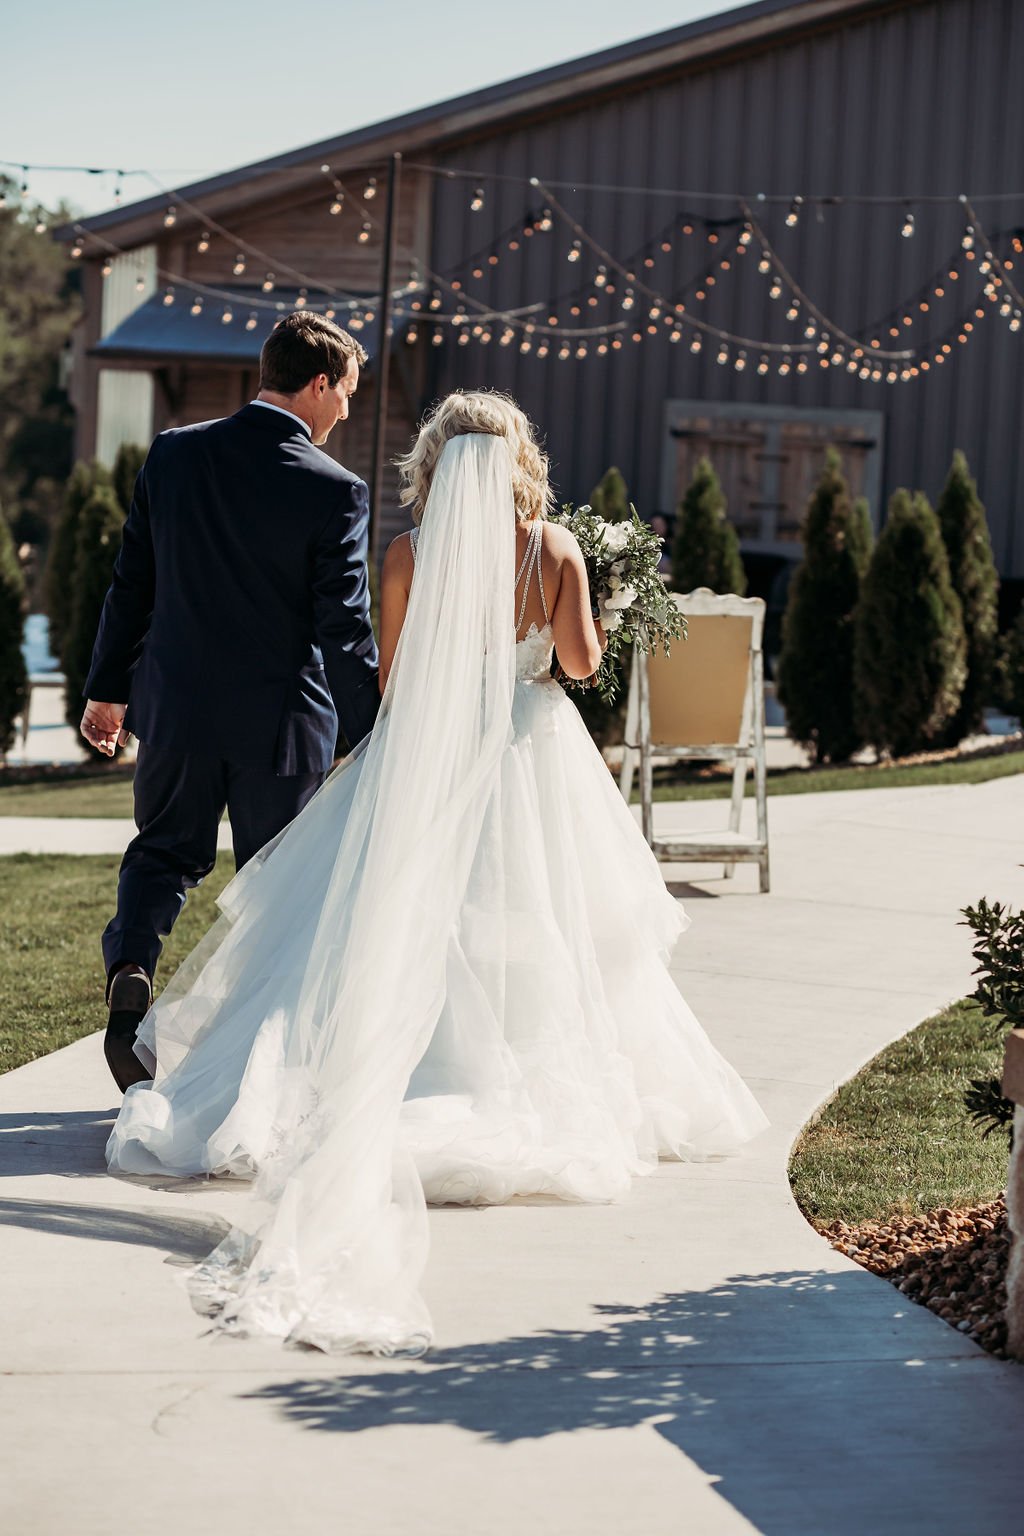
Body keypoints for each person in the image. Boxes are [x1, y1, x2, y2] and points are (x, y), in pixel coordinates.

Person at [106, 391, 768, 1356]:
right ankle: (519, 1075)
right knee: (546, 919)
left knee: (406, 914)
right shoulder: (556, 552)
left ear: (431, 464)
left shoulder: (408, 555)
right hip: (530, 751)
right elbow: (580, 667)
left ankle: (400, 1068)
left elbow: (395, 676)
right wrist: (579, 619)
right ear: (518, 461)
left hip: (429, 753)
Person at [80, 313, 380, 1093]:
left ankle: (135, 966)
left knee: (163, 852)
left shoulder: (176, 453)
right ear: (318, 384)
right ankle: (251, 1067)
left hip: (175, 709)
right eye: (346, 391)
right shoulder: (336, 491)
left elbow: (131, 583)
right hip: (280, 729)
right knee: (275, 888)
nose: (347, 408)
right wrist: (373, 728)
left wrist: (107, 690)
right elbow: (342, 625)